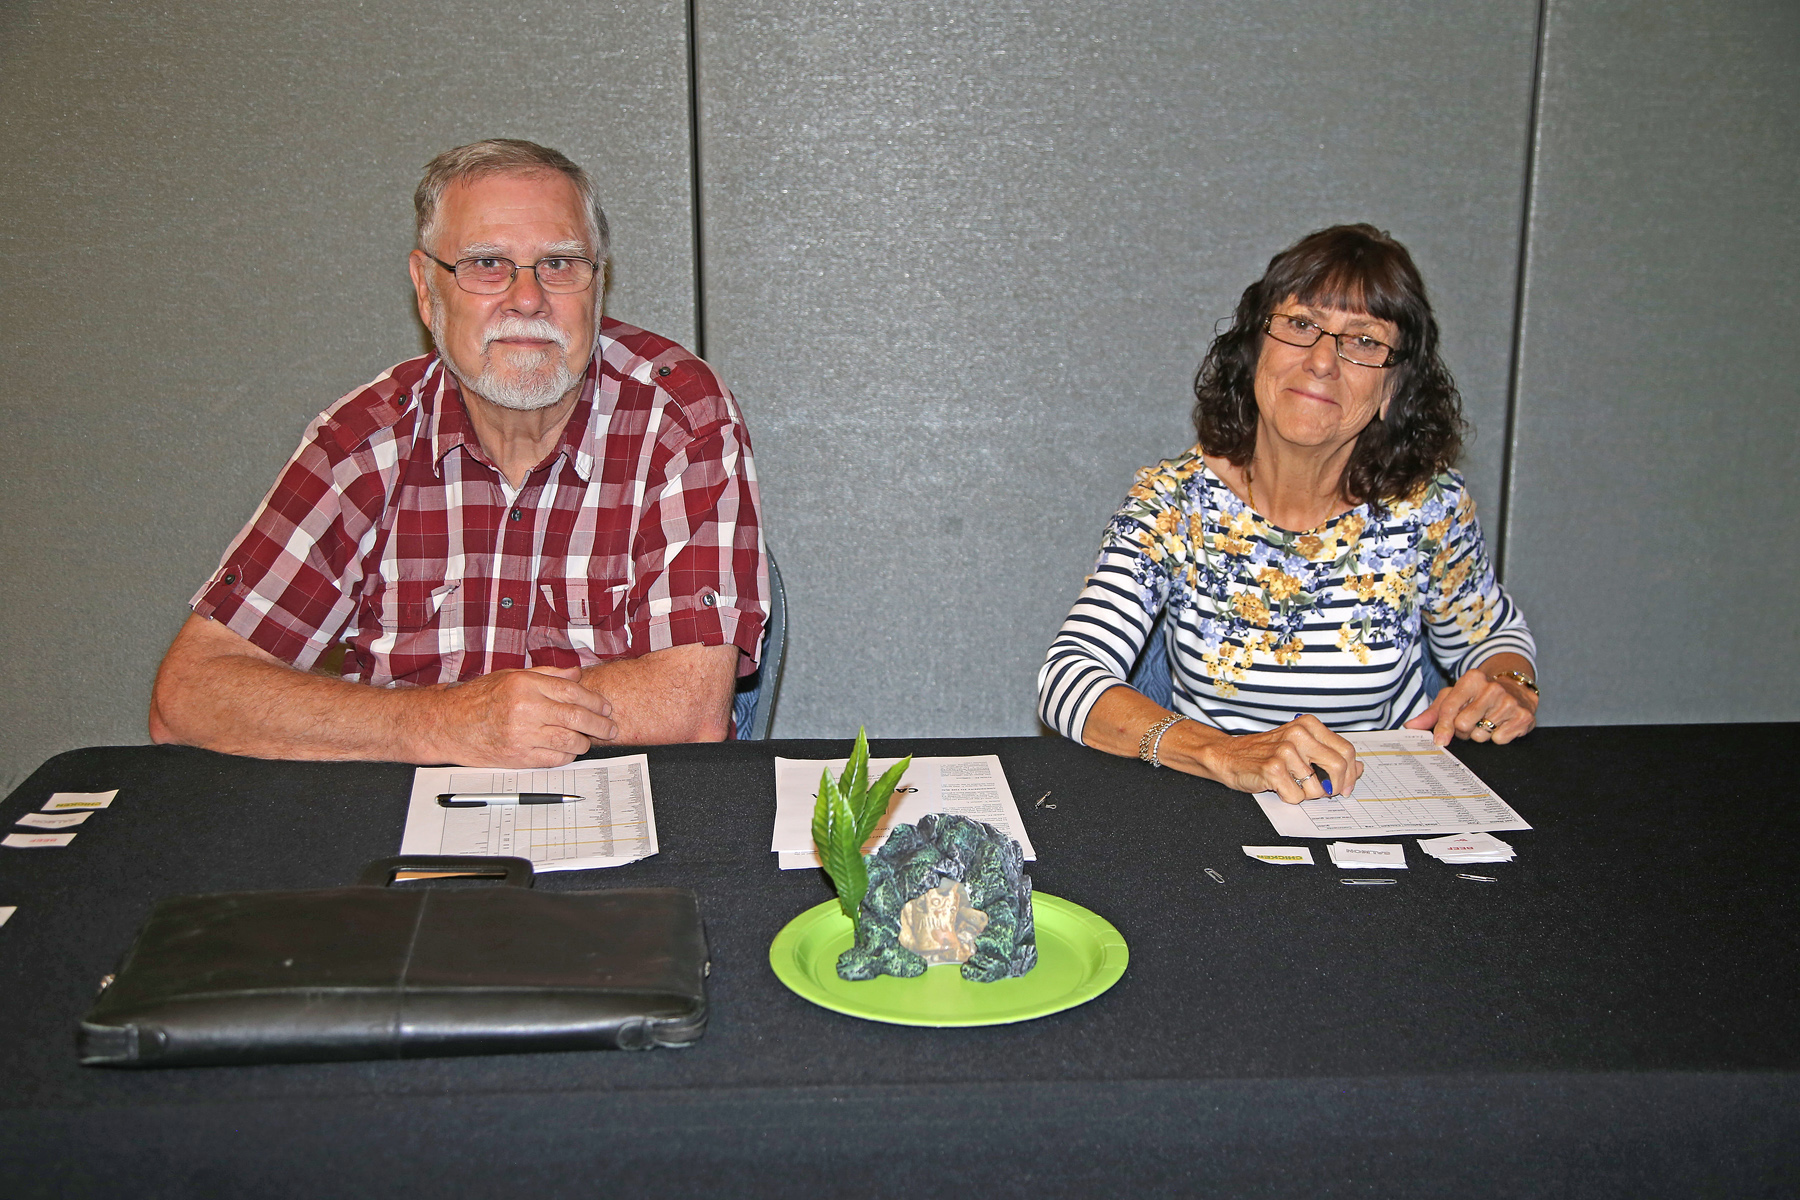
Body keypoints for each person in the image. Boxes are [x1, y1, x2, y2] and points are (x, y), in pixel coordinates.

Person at [150, 139, 767, 767]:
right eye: (486, 264)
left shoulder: (679, 417)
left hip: (623, 826)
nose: (528, 298)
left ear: (598, 285)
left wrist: (506, 722)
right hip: (399, 829)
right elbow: (191, 693)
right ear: (425, 288)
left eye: (559, 263)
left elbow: (688, 704)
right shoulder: (364, 441)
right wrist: (442, 723)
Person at [1037, 224, 1538, 804]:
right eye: (1301, 324)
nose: (1323, 360)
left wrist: (1511, 685)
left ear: (1393, 389)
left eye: (1365, 341)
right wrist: (1224, 752)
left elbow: (1492, 637)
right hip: (1215, 812)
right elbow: (1067, 676)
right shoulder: (1173, 504)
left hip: (1385, 812)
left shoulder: (1428, 508)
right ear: (1257, 347)